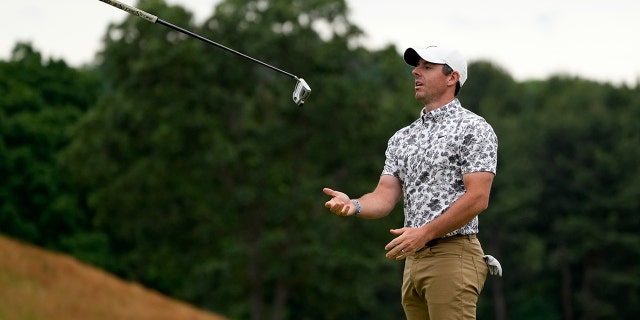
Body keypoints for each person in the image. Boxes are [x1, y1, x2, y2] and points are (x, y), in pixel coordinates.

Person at [323, 45, 498, 320]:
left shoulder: (474, 128)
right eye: (417, 67)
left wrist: (425, 232)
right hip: (413, 260)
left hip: (453, 256)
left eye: (427, 67)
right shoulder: (402, 138)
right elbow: (384, 197)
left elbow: (478, 198)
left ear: (452, 78)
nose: (416, 72)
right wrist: (353, 204)